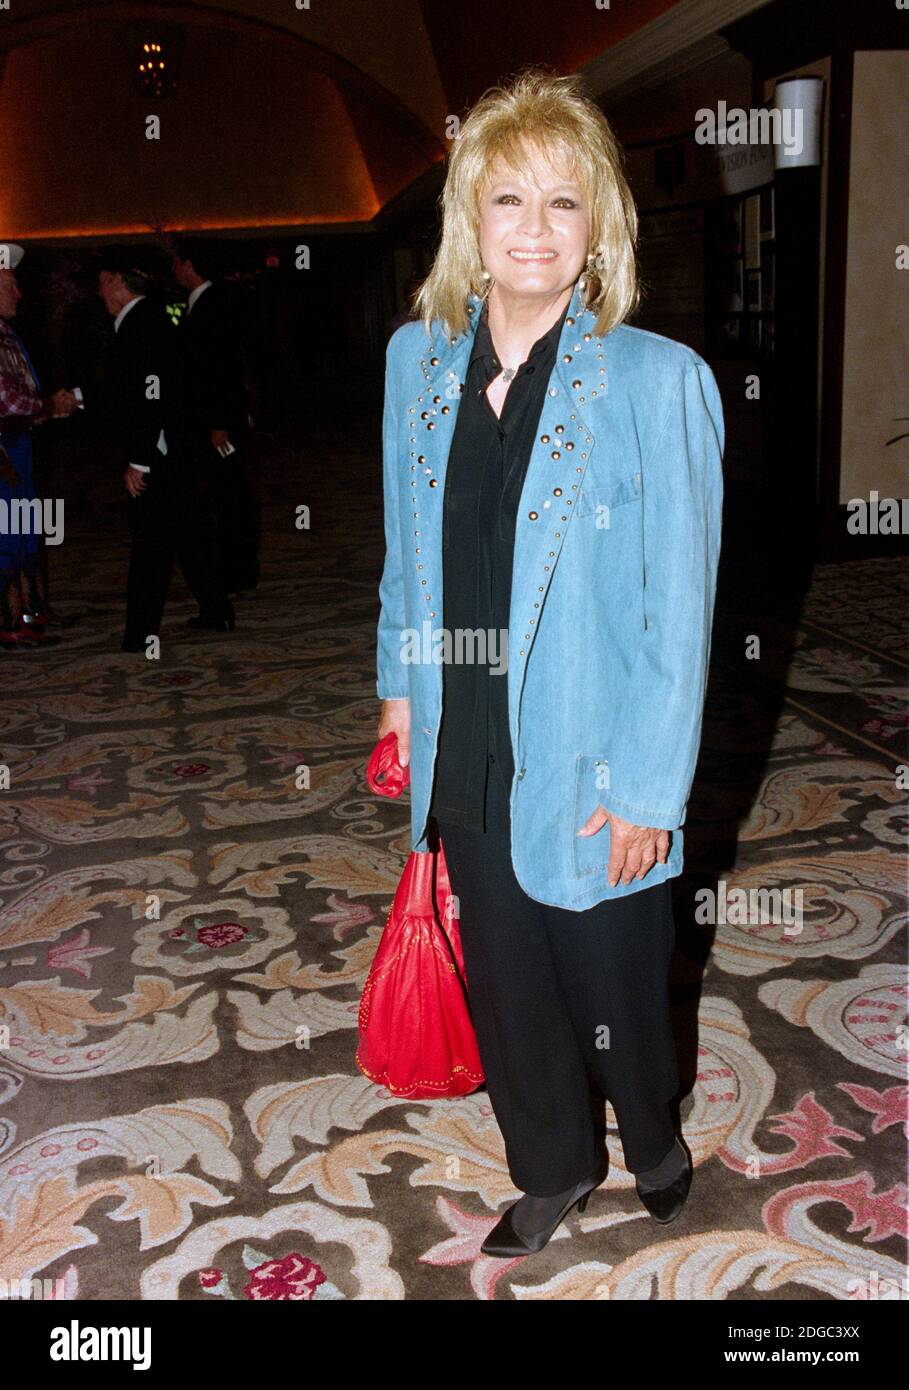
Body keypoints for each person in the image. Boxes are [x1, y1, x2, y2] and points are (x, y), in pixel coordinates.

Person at [375, 69, 724, 1258]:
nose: (533, 229)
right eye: (508, 199)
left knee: (614, 982)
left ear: (600, 224)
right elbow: (401, 551)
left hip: (595, 745)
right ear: (470, 218)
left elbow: (680, 612)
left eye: (563, 203)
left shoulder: (655, 381)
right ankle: (551, 1168)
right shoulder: (415, 366)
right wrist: (395, 688)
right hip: (465, 741)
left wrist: (647, 787)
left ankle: (657, 1138)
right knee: (512, 986)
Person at [97, 252, 235, 651]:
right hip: (176, 450)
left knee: (150, 546)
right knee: (189, 534)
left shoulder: (141, 325)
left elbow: (149, 396)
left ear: (122, 284)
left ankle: (140, 633)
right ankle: (217, 610)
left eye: (105, 281)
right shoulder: (151, 320)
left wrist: (139, 459)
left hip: (160, 454)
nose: (100, 290)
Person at [171, 238, 259, 601]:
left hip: (219, 426)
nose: (173, 269)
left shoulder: (212, 306)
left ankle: (237, 569)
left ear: (190, 265)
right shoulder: (207, 303)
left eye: (177, 262)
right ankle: (237, 567)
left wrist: (221, 422)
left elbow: (220, 368)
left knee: (230, 492)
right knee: (228, 491)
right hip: (217, 421)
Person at [0, 242, 78, 648]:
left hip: (18, 445)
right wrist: (50, 405)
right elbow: (8, 400)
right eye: (10, 283)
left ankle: (28, 609)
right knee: (7, 534)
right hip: (3, 450)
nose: (19, 292)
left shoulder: (7, 333)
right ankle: (9, 618)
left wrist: (49, 409)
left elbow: (22, 393)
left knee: (27, 528)